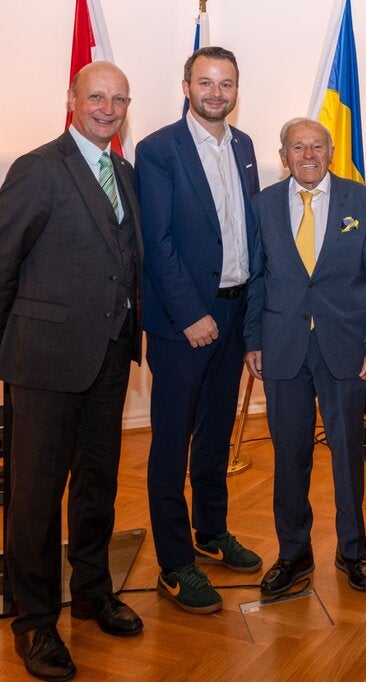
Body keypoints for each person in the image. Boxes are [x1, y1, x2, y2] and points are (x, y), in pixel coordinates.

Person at [0, 61, 143, 680]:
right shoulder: (36, 170)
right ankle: (33, 622)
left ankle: (90, 589)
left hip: (109, 358)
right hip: (44, 361)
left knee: (97, 484)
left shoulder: (127, 174)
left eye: (118, 99)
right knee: (33, 497)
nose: (107, 108)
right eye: (96, 97)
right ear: (72, 99)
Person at [243, 118, 366, 596]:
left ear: (330, 151)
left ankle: (353, 550)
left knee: (348, 452)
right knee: (289, 455)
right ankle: (293, 553)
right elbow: (256, 277)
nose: (307, 155)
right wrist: (252, 340)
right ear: (283, 154)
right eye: (297, 147)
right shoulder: (262, 204)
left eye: (316, 146)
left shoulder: (362, 201)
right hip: (282, 345)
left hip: (346, 347)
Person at [135, 46, 262, 615]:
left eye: (227, 83)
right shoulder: (157, 149)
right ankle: (174, 561)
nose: (217, 93)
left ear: (237, 89)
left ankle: (211, 531)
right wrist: (190, 314)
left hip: (234, 313)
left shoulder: (247, 147)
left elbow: (248, 234)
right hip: (183, 320)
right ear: (186, 86)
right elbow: (156, 244)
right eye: (206, 83)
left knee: (215, 433)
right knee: (171, 440)